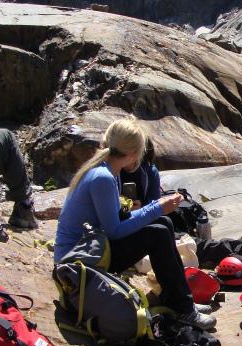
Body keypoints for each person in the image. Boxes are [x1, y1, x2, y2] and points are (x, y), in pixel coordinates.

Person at [54, 118, 216, 330]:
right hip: (78, 262)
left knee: (164, 223)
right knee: (158, 233)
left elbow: (114, 221)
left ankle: (178, 300)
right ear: (132, 153)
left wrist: (157, 209)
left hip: (91, 248)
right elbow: (114, 231)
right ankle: (183, 308)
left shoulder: (106, 170)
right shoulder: (103, 177)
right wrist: (156, 208)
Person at [119, 138, 242, 266]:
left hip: (148, 221)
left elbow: (153, 203)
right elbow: (111, 223)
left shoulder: (148, 170)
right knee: (188, 244)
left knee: (184, 239)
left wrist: (143, 207)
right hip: (127, 229)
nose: (135, 162)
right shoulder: (112, 172)